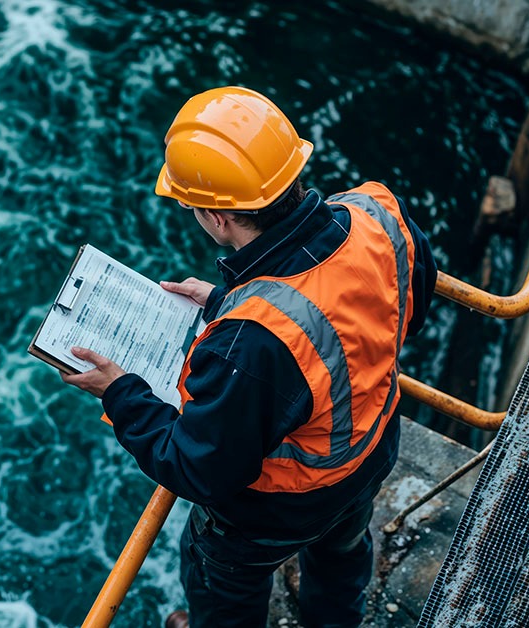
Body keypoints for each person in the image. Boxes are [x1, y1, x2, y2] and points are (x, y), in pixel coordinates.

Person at [60, 86, 437, 628]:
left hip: (284, 506)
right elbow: (400, 304)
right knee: (341, 556)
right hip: (373, 446)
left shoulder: (251, 342)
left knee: (223, 584)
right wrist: (223, 303)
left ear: (217, 218)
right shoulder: (376, 211)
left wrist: (120, 392)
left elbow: (198, 468)